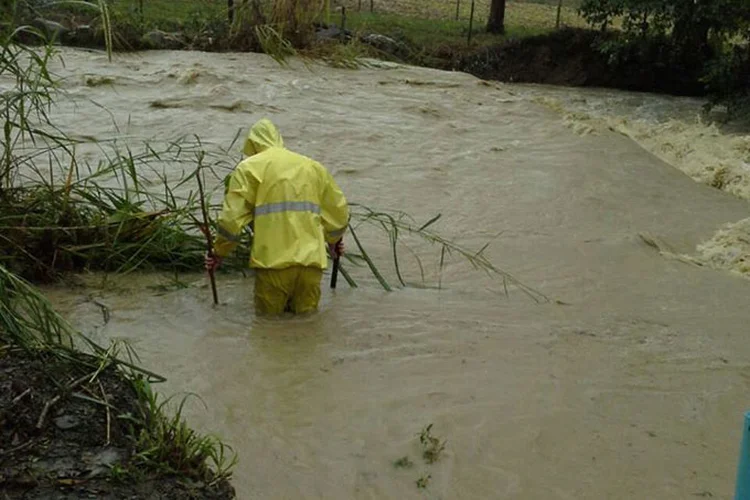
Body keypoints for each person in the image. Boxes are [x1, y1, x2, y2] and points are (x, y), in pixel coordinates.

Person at [204, 118, 349, 315]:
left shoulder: (249, 168)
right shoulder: (312, 167)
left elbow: (231, 221)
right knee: (307, 329)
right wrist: (333, 242)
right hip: (312, 265)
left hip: (273, 265)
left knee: (268, 330)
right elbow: (338, 212)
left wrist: (218, 253)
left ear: (253, 145)